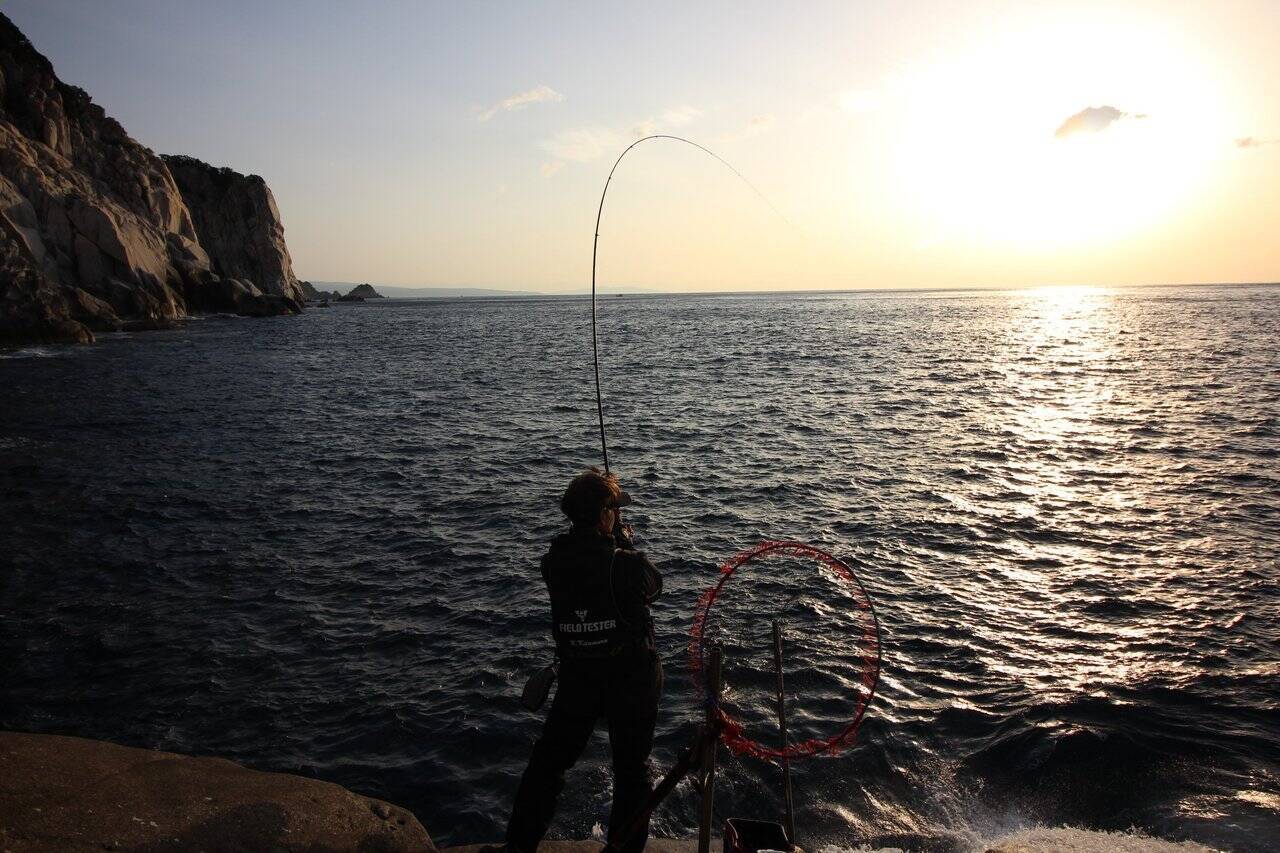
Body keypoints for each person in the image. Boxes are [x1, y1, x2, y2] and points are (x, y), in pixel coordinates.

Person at [503, 467, 663, 853]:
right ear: (605, 515)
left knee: (549, 763)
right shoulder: (626, 564)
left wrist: (613, 544)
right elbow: (654, 587)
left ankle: (519, 846)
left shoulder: (552, 561)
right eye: (614, 509)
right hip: (629, 679)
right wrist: (623, 546)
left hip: (578, 676)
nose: (618, 515)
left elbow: (586, 569)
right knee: (632, 770)